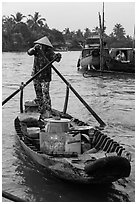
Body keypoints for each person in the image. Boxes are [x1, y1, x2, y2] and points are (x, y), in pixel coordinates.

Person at [27, 36, 61, 118]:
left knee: (45, 93)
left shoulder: (49, 52)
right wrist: (34, 48)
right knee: (38, 94)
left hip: (45, 76)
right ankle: (41, 110)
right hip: (36, 75)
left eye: (42, 45)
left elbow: (56, 59)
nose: (41, 46)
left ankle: (48, 111)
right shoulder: (36, 50)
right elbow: (29, 52)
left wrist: (58, 56)